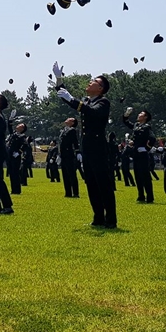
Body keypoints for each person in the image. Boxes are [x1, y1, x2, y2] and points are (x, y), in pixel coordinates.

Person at [53, 62, 116, 228]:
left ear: (100, 88)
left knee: (103, 184)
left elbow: (91, 112)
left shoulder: (103, 102)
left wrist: (72, 99)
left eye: (94, 81)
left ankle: (111, 219)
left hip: (98, 149)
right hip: (87, 148)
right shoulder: (88, 101)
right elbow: (64, 94)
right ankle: (98, 217)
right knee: (91, 184)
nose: (90, 82)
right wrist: (59, 79)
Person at [122, 108, 156, 202]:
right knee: (137, 175)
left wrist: (146, 148)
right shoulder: (136, 125)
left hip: (142, 153)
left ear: (145, 117)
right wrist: (126, 114)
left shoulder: (146, 127)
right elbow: (126, 122)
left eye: (141, 113)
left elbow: (152, 138)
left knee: (145, 175)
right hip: (135, 153)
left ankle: (149, 196)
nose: (138, 114)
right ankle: (141, 195)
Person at [58, 118, 80, 198]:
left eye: (69, 119)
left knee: (72, 174)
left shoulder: (72, 130)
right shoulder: (64, 130)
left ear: (72, 122)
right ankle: (68, 192)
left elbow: (75, 142)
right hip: (63, 154)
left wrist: (77, 152)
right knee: (65, 174)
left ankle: (75, 192)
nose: (66, 120)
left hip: (69, 154)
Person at [7, 121, 26, 195]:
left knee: (15, 173)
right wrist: (10, 120)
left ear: (22, 128)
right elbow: (10, 128)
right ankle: (13, 190)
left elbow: (24, 145)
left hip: (16, 156)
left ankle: (17, 190)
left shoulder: (22, 136)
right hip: (10, 155)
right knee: (11, 173)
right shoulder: (14, 134)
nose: (18, 125)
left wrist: (19, 152)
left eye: (20, 125)